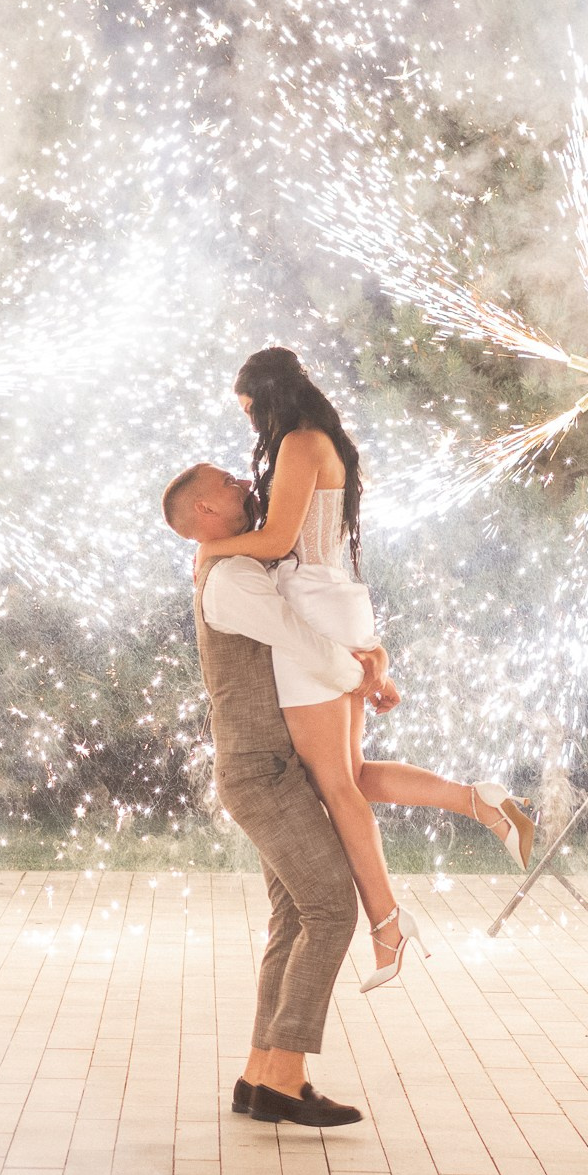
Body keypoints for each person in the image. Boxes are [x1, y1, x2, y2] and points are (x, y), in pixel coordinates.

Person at [185, 346, 537, 991]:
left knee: (335, 788)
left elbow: (276, 543)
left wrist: (210, 549)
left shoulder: (300, 443)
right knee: (345, 777)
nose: (251, 428)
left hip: (313, 608)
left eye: (251, 411)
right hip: (334, 601)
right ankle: (480, 802)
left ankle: (389, 933)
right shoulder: (323, 441)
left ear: (271, 398)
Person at [161, 462, 378, 1127]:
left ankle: (260, 1076)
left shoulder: (235, 564)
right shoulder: (228, 580)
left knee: (293, 916)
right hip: (261, 774)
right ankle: (287, 1072)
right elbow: (298, 637)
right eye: (227, 482)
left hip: (272, 768)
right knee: (333, 909)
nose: (244, 482)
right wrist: (359, 678)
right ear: (204, 511)